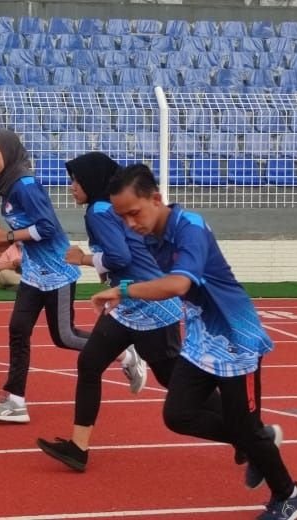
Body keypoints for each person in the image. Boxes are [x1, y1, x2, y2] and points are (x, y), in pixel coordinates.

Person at [93, 164, 297, 520]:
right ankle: (256, 444)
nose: (130, 224)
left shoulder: (189, 226)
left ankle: (289, 494)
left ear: (156, 199)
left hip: (236, 336)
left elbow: (178, 285)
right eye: (122, 218)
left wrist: (123, 290)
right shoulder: (150, 236)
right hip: (200, 336)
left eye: (134, 213)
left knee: (245, 427)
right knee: (178, 415)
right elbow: (154, 279)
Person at [36, 152, 182, 471]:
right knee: (89, 364)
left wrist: (83, 258)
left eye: (76, 180)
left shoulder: (99, 211)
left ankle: (247, 430)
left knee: (177, 386)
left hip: (151, 308)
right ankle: (78, 447)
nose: (71, 186)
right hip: (126, 305)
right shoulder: (104, 208)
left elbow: (118, 256)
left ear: (91, 180)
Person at [0, 129, 89, 424]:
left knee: (64, 336)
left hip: (57, 272)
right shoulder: (8, 185)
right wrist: (11, 242)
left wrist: (9, 234)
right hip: (32, 274)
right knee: (18, 330)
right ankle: (15, 401)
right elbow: (30, 230)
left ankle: (123, 352)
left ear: (10, 152)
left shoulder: (25, 185)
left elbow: (48, 228)